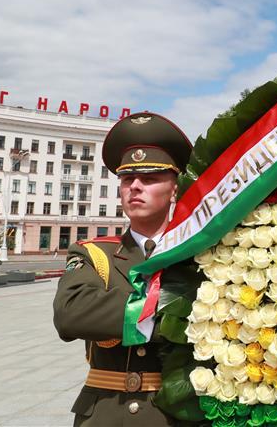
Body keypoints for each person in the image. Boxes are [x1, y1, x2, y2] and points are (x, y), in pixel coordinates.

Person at [53, 112, 193, 426]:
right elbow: (71, 315)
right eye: (128, 179)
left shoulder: (196, 254)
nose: (135, 187)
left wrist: (123, 312)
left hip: (177, 416)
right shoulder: (94, 253)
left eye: (150, 178)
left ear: (174, 189)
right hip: (106, 412)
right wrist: (182, 308)